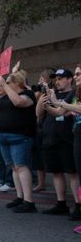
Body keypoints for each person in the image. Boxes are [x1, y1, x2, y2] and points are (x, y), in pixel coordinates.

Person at [0, 70, 37, 212]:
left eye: (9, 82)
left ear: (17, 83)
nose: (4, 85)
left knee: (21, 166)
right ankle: (20, 196)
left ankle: (29, 201)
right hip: (3, 136)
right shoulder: (3, 98)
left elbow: (18, 102)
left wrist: (4, 85)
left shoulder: (27, 94)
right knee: (13, 167)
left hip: (20, 136)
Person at [37, 68, 80, 218]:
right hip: (50, 138)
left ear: (69, 79)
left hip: (67, 139)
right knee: (56, 172)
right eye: (56, 78)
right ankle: (61, 203)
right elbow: (41, 113)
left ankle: (78, 205)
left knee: (72, 172)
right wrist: (44, 102)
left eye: (61, 78)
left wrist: (55, 103)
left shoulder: (74, 93)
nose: (58, 81)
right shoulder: (50, 93)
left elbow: (65, 111)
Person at [50, 64, 81, 229]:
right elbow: (59, 112)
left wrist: (59, 103)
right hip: (75, 135)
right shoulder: (76, 93)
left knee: (75, 173)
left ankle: (78, 207)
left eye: (78, 74)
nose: (77, 77)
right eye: (76, 74)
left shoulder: (72, 95)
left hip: (72, 137)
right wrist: (47, 103)